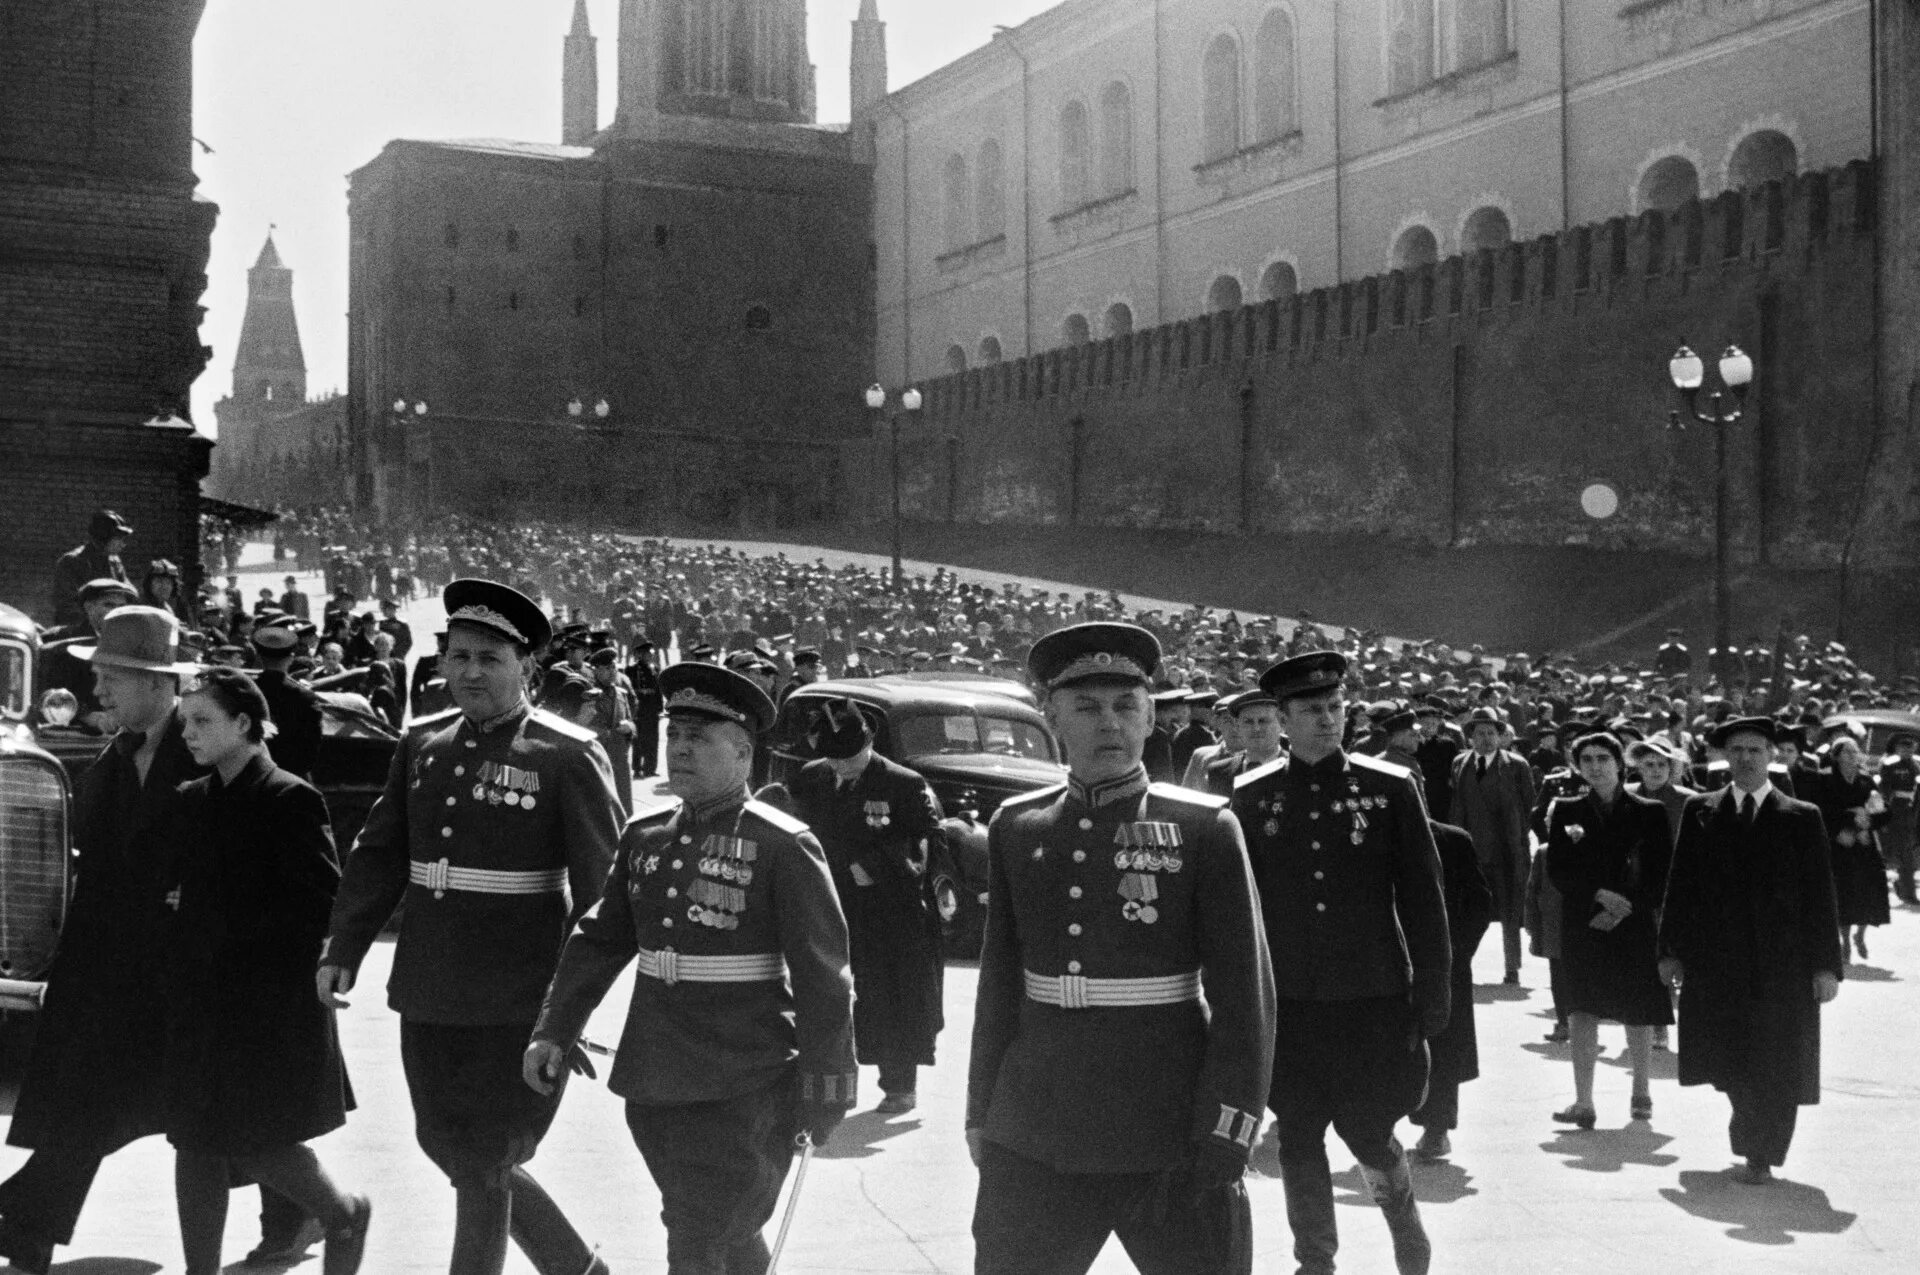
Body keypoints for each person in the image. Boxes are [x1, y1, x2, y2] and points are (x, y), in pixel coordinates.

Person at [317, 579, 623, 1275]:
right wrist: (346, 944)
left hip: (519, 1000)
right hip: (429, 987)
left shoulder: (567, 754)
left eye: (490, 657)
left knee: (487, 1160)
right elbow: (380, 851)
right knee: (450, 1146)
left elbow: (603, 902)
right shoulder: (422, 744)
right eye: (459, 656)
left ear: (527, 669)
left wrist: (565, 1010)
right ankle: (578, 1269)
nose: (472, 671)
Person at [527, 661, 855, 1275]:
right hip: (654, 1074)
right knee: (717, 1226)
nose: (679, 749)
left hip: (744, 1076)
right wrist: (555, 1025)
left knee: (697, 1231)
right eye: (674, 736)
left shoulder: (782, 843)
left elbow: (823, 975)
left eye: (698, 739)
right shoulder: (645, 836)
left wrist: (828, 1083)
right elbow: (599, 940)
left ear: (741, 752)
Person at [969, 623, 1274, 1275]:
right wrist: (981, 1109)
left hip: (1168, 1126)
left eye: (1125, 705)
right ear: (1050, 714)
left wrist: (1231, 1119)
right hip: (1037, 1127)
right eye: (1086, 706)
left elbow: (1245, 997)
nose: (1109, 722)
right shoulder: (1018, 826)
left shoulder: (1204, 827)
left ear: (1148, 714)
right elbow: (998, 982)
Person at [0, 607, 205, 1273]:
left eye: (110, 675)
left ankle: (306, 1205)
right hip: (121, 969)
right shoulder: (113, 763)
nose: (97, 690)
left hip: (198, 966)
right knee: (95, 1094)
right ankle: (29, 1222)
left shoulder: (210, 745)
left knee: (235, 1117)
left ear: (155, 681)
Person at [1231, 651, 1449, 1275]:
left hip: (1372, 999)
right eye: (1310, 711)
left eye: (1334, 708)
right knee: (1297, 1133)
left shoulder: (1390, 788)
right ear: (1283, 720)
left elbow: (1424, 900)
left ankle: (1405, 1224)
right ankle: (1315, 1260)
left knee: (1369, 1130)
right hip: (1292, 1003)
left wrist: (1432, 998)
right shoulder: (1251, 795)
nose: (1326, 721)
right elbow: (1241, 909)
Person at [166, 668, 370, 1275]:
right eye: (184, 723)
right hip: (201, 1001)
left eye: (203, 721)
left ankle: (343, 1212)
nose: (190, 733)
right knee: (193, 1141)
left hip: (269, 1005)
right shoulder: (192, 799)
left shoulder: (290, 798)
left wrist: (232, 919)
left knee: (257, 1142)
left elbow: (322, 902)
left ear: (245, 725)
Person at [1658, 717, 1842, 1185]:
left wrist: (1827, 966)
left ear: (1772, 756)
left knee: (1776, 1060)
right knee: (1728, 1058)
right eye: (1736, 750)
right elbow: (1679, 887)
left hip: (1784, 967)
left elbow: (1821, 897)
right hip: (1718, 964)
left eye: (1755, 750)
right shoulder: (1702, 812)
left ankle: (1760, 1151)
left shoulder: (1802, 817)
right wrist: (1670, 951)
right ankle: (1750, 1132)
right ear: (1725, 757)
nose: (1744, 758)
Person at [789, 696, 946, 1113]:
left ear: (869, 742)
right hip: (826, 902)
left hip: (887, 908)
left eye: (849, 757)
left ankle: (899, 1084)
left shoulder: (903, 783)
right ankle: (823, 1078)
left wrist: (875, 865)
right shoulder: (811, 777)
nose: (841, 766)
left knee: (890, 995)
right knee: (825, 991)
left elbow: (925, 839)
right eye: (833, 758)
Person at [1542, 732, 1674, 1129]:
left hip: (1633, 923)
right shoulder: (1566, 810)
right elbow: (1559, 870)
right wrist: (1598, 894)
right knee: (1582, 1009)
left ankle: (1642, 1090)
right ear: (1577, 766)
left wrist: (1623, 905)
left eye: (1603, 758)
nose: (1595, 766)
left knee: (1637, 1008)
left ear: (1620, 763)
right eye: (1586, 759)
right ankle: (1584, 1102)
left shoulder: (1648, 810)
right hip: (1584, 922)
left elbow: (1661, 870)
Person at [1409, 819, 1493, 1162]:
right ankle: (1380, 1127)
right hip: (1385, 960)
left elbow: (1479, 904)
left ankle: (1436, 1128)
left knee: (1442, 1047)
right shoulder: (1366, 835)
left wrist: (1456, 956)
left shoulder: (1453, 841)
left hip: (1443, 963)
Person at [1450, 706, 1537, 985]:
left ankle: (1512, 967)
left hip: (1504, 849)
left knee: (1511, 909)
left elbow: (1528, 806)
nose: (1486, 738)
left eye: (1491, 733)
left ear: (1501, 737)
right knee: (1468, 910)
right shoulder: (1459, 763)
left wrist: (1518, 840)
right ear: (1470, 737)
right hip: (1469, 849)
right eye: (1479, 733)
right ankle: (1461, 964)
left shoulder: (1517, 765)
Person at [1811, 736, 1890, 961]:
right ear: (1836, 756)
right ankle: (1844, 941)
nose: (1852, 756)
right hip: (1840, 843)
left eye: (1855, 752)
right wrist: (1846, 824)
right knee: (1844, 893)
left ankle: (1860, 935)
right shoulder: (1825, 779)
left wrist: (1870, 824)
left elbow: (1883, 811)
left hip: (1863, 845)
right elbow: (1821, 810)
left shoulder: (1866, 780)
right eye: (1847, 752)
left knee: (1868, 892)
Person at [253, 622, 323, 780]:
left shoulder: (245, 692)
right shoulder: (304, 697)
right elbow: (311, 751)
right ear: (291, 658)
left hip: (252, 779)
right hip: (291, 780)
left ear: (259, 657)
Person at [48, 509, 132, 627]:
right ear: (103, 537)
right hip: (77, 629)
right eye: (118, 539)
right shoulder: (72, 561)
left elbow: (129, 594)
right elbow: (66, 604)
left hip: (110, 628)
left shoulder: (115, 562)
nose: (123, 544)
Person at [586, 647, 638, 816]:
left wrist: (629, 728)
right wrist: (605, 733)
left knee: (624, 802)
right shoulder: (589, 695)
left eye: (614, 668)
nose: (613, 672)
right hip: (599, 758)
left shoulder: (621, 694)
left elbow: (632, 722)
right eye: (608, 668)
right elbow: (581, 726)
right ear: (597, 671)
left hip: (620, 758)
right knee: (602, 806)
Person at [1880, 733, 1919, 904]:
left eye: (1910, 747)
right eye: (1903, 747)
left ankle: (1904, 887)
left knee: (1908, 854)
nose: (1907, 750)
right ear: (1897, 749)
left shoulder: (1917, 765)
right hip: (1896, 814)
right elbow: (1885, 790)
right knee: (1896, 853)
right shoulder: (1890, 765)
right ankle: (1904, 889)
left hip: (1913, 814)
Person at [140, 558, 193, 626]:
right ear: (149, 584)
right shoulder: (141, 607)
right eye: (159, 581)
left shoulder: (167, 609)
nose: (164, 587)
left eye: (168, 582)